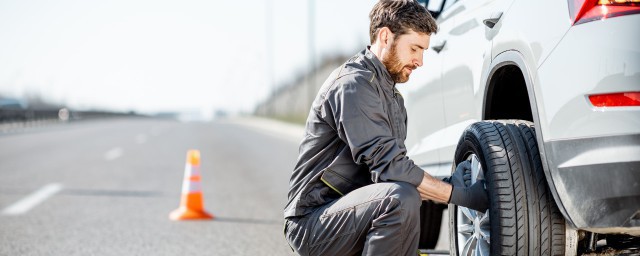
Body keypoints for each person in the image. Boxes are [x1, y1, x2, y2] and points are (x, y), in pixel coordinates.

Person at [283, 1, 488, 255]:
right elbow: (392, 170)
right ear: (385, 36)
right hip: (313, 222)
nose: (420, 61)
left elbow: (393, 175)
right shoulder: (354, 85)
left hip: (350, 213)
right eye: (415, 48)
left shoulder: (393, 99)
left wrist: (449, 184)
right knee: (400, 200)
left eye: (423, 50)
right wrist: (458, 195)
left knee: (402, 198)